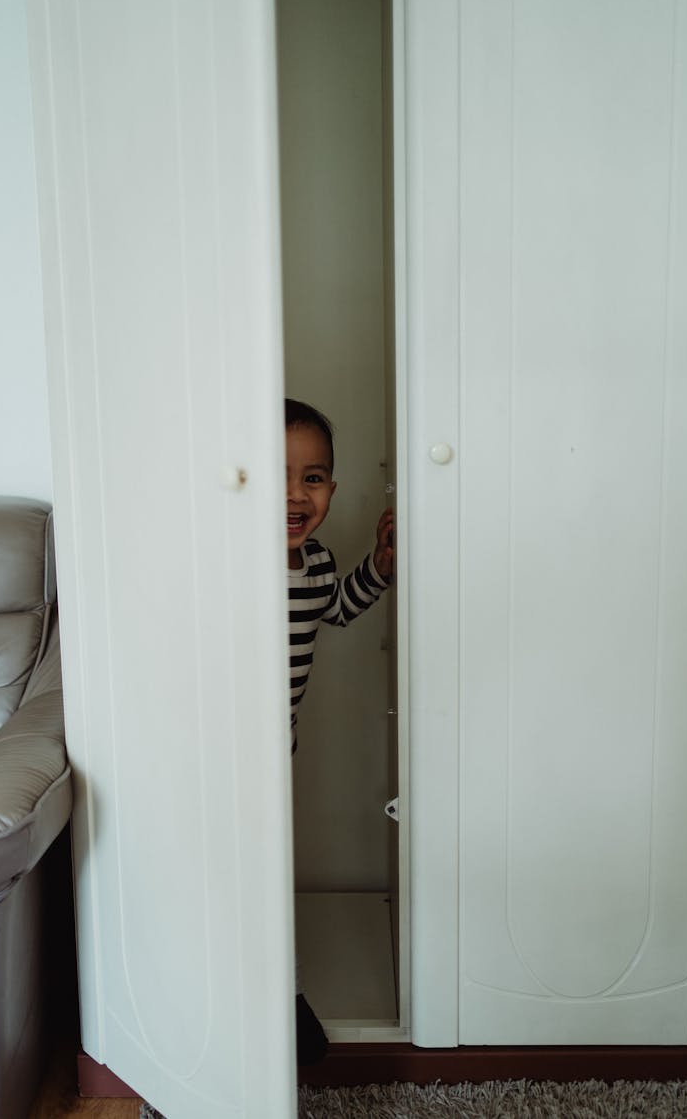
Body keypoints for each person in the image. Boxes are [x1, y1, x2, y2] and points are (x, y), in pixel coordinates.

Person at [285, 398, 394, 1064]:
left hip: (278, 753)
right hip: (221, 756)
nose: (297, 494)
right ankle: (279, 996)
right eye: (279, 474)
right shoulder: (231, 561)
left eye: (315, 477)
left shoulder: (317, 564)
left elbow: (341, 607)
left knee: (271, 873)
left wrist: (379, 566)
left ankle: (276, 985)